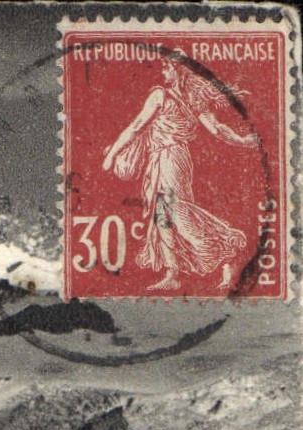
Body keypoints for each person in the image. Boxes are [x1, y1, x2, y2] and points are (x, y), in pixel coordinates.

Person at [101, 58, 260, 291]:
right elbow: (217, 129)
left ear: (179, 71)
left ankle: (226, 251)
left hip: (171, 158)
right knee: (162, 214)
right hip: (166, 158)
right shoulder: (192, 101)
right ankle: (173, 272)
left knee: (174, 211)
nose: (163, 71)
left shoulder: (162, 96)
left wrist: (111, 155)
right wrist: (243, 140)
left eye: (167, 67)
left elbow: (137, 126)